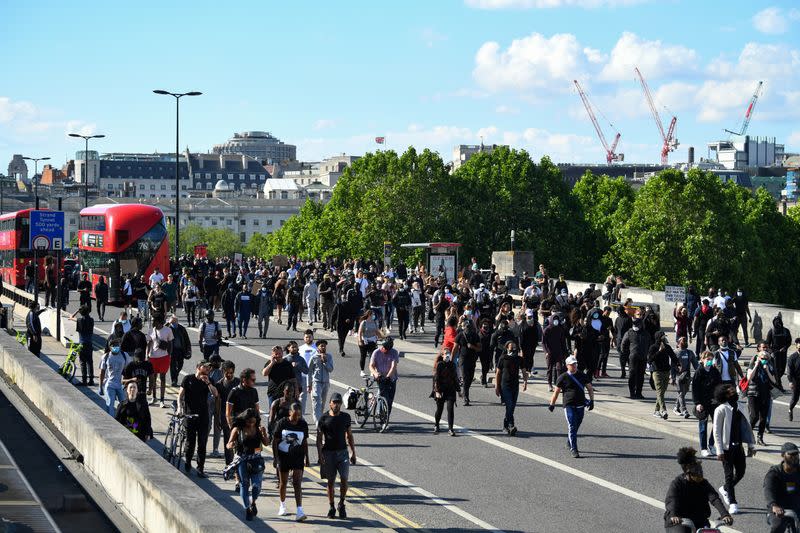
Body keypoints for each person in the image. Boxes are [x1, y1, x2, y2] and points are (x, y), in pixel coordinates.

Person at [663, 447, 733, 532]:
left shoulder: (703, 483)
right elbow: (672, 501)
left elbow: (714, 498)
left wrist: (724, 514)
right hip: (679, 521)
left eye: (701, 471)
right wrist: (673, 515)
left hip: (699, 520)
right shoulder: (677, 484)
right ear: (688, 472)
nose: (700, 474)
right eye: (697, 472)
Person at [713, 383, 756, 515]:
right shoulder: (721, 409)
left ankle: (725, 489)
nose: (733, 390)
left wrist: (751, 445)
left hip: (739, 447)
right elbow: (716, 431)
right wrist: (719, 450)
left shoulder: (740, 406)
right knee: (729, 475)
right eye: (730, 390)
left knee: (741, 472)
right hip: (726, 449)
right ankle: (732, 502)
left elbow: (747, 428)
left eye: (732, 389)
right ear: (725, 394)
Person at [317, 392, 357, 519]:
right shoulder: (323, 418)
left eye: (339, 402)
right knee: (330, 482)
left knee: (344, 479)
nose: (337, 405)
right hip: (328, 453)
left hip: (343, 453)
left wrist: (353, 453)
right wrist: (320, 455)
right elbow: (319, 439)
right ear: (330, 403)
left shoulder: (345, 417)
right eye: (334, 402)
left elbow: (349, 436)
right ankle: (331, 506)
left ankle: (342, 503)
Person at [178, 361, 219, 478]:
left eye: (208, 367)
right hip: (190, 415)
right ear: (198, 367)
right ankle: (187, 463)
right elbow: (180, 396)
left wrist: (208, 383)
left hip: (203, 416)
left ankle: (200, 468)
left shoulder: (209, 380)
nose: (207, 369)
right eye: (205, 367)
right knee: (190, 443)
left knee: (202, 444)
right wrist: (180, 408)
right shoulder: (188, 379)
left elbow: (215, 394)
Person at [227, 408, 269, 521]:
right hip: (242, 460)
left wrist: (264, 433)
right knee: (244, 485)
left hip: (256, 460)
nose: (251, 424)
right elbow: (229, 443)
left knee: (257, 486)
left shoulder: (259, 429)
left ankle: (253, 501)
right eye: (248, 422)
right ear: (244, 420)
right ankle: (247, 509)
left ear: (256, 420)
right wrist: (230, 445)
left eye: (253, 422)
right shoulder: (237, 429)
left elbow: (266, 443)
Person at [548, 355, 594, 458]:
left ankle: (570, 441)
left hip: (580, 404)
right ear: (567, 365)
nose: (574, 366)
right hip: (568, 404)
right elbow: (556, 392)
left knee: (577, 424)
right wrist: (552, 404)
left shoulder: (582, 375)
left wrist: (592, 401)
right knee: (572, 425)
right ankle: (574, 449)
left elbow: (590, 388)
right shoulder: (563, 377)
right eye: (572, 364)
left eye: (575, 364)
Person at [272, 402, 310, 521]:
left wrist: (307, 458)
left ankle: (299, 510)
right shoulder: (282, 423)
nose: (297, 418)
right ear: (289, 412)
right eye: (295, 415)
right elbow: (275, 441)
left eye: (299, 415)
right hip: (284, 456)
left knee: (297, 482)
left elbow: (304, 442)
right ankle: (282, 506)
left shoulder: (303, 424)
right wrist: (275, 458)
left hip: (298, 457)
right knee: (283, 483)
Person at [764, 442, 800, 533]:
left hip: (797, 505)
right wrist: (774, 505)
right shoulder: (774, 473)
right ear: (783, 455)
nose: (795, 457)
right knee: (778, 526)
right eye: (791, 454)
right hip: (779, 508)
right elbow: (768, 490)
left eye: (796, 454)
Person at [692, 351, 721, 457]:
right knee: (703, 426)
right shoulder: (699, 372)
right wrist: (697, 403)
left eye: (711, 359)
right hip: (702, 403)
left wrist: (718, 399)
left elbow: (719, 385)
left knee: (716, 425)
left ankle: (712, 444)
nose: (709, 361)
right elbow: (695, 388)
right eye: (707, 359)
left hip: (714, 402)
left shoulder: (715, 371)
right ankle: (703, 448)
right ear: (703, 360)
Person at [495, 340, 528, 436]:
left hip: (515, 385)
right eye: (511, 346)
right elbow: (498, 373)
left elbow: (524, 371)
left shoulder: (519, 359)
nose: (513, 348)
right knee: (509, 404)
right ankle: (510, 425)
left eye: (514, 346)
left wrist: (525, 383)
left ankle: (505, 426)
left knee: (512, 406)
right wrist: (497, 386)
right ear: (506, 348)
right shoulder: (503, 358)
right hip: (505, 385)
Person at [747, 350, 778, 446]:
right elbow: (749, 378)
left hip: (765, 394)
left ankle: (760, 437)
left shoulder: (769, 365)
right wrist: (756, 366)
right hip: (753, 393)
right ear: (758, 357)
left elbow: (774, 380)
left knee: (763, 418)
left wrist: (767, 370)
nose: (764, 360)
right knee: (754, 416)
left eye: (766, 358)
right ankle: (747, 433)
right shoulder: (753, 364)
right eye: (762, 358)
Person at [369, 337, 399, 431]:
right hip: (380, 377)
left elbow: (394, 366)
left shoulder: (394, 352)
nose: (385, 350)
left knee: (389, 401)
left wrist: (388, 376)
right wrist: (375, 373)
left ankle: (385, 418)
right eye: (384, 348)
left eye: (387, 349)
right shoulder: (376, 352)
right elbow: (371, 366)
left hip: (391, 378)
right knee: (384, 397)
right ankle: (383, 421)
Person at [213, 360, 238, 464]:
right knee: (228, 440)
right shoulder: (219, 385)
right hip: (225, 416)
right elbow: (218, 402)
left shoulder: (238, 382)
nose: (229, 375)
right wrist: (218, 418)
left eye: (231, 372)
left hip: (237, 416)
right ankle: (229, 464)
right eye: (227, 372)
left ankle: (238, 463)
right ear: (222, 371)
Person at [648, 331, 677, 420]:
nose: (665, 338)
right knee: (660, 391)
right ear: (659, 338)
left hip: (666, 371)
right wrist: (659, 351)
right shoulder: (653, 347)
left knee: (662, 392)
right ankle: (663, 410)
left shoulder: (667, 347)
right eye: (663, 337)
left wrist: (678, 364)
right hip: (657, 372)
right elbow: (650, 360)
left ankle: (656, 411)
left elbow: (673, 357)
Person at [621, 318, 651, 399]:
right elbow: (623, 344)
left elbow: (649, 344)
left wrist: (648, 355)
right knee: (632, 374)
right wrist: (625, 354)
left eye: (637, 325)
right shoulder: (629, 332)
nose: (636, 326)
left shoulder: (646, 333)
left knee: (641, 375)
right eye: (634, 325)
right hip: (633, 357)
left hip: (643, 357)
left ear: (641, 325)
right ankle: (632, 393)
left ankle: (639, 393)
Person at [431, 349, 459, 436]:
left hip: (450, 389)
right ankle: (436, 424)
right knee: (440, 409)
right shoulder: (439, 365)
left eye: (449, 353)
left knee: (450, 409)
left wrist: (459, 390)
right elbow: (436, 379)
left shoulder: (452, 365)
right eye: (446, 354)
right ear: (442, 356)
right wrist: (437, 391)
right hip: (441, 389)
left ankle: (450, 429)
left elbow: (455, 378)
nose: (447, 355)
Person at [307, 339, 334, 427]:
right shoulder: (314, 357)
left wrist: (325, 361)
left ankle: (320, 417)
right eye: (321, 346)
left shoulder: (329, 356)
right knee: (316, 402)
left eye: (324, 346)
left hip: (325, 383)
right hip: (316, 382)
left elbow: (330, 369)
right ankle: (318, 423)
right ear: (318, 347)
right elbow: (309, 372)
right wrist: (309, 385)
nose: (323, 347)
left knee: (322, 403)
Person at [147, 317, 173, 408]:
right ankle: (154, 398)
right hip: (153, 358)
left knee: (163, 378)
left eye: (156, 321)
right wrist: (147, 355)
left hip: (164, 358)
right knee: (153, 378)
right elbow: (149, 343)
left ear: (160, 322)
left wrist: (169, 356)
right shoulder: (151, 330)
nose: (154, 323)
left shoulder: (168, 330)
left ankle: (162, 399)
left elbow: (170, 344)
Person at [454, 319, 480, 405]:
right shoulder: (460, 335)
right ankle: (466, 398)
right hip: (463, 359)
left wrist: (472, 346)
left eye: (469, 327)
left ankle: (465, 391)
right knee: (465, 378)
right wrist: (451, 359)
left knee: (470, 378)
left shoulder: (475, 335)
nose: (467, 328)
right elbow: (455, 348)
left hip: (472, 359)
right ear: (463, 327)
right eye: (466, 326)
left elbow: (480, 348)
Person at [98, 339, 127, 415]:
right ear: (110, 347)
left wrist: (126, 383)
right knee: (110, 403)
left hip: (120, 385)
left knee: (124, 404)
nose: (115, 347)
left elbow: (127, 370)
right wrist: (100, 386)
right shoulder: (106, 357)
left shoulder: (124, 356)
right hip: (110, 385)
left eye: (117, 345)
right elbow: (102, 372)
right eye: (113, 345)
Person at [673, 337, 698, 419]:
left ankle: (676, 407)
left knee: (684, 392)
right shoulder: (675, 353)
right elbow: (672, 366)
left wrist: (701, 372)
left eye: (686, 341)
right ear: (678, 343)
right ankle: (684, 410)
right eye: (683, 341)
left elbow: (696, 365)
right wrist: (671, 377)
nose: (685, 342)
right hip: (678, 376)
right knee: (680, 393)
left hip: (687, 376)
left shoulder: (690, 352)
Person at [168, 314, 192, 387]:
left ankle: (176, 374)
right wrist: (168, 323)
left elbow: (187, 340)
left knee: (180, 364)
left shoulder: (182, 329)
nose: (174, 324)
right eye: (172, 322)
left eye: (175, 322)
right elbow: (161, 329)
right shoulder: (168, 329)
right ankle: (174, 380)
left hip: (181, 350)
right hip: (172, 350)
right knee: (172, 366)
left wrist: (189, 349)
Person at [74, 304, 95, 385]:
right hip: (89, 343)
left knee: (83, 362)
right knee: (90, 362)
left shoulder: (79, 320)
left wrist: (77, 311)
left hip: (82, 344)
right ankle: (91, 380)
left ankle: (84, 380)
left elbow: (71, 316)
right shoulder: (92, 320)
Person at [768, 314, 793, 381]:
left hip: (783, 352)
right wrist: (771, 351)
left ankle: (777, 380)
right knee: (776, 368)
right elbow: (767, 343)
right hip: (775, 352)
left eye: (779, 321)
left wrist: (785, 347)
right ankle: (778, 383)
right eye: (776, 322)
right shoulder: (771, 331)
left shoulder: (786, 331)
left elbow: (789, 341)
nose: (777, 323)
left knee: (782, 369)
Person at [357, 309, 381, 378]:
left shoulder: (374, 322)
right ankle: (362, 371)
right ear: (369, 315)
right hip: (364, 341)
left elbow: (377, 331)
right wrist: (360, 341)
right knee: (363, 356)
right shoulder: (364, 322)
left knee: (372, 357)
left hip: (372, 341)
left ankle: (372, 371)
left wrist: (382, 337)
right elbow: (359, 332)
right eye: (372, 315)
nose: (374, 316)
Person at [788, 339, 800, 421]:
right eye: (799, 348)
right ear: (796, 347)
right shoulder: (792, 357)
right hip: (795, 381)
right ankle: (790, 409)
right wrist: (790, 381)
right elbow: (789, 371)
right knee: (795, 398)